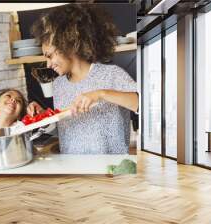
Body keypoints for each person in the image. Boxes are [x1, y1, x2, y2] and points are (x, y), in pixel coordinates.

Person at [28, 4, 139, 154]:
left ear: (68, 45)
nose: (48, 64)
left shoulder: (112, 74)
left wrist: (100, 94)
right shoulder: (59, 85)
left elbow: (142, 105)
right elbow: (67, 129)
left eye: (50, 55)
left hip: (111, 171)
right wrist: (44, 117)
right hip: (75, 169)